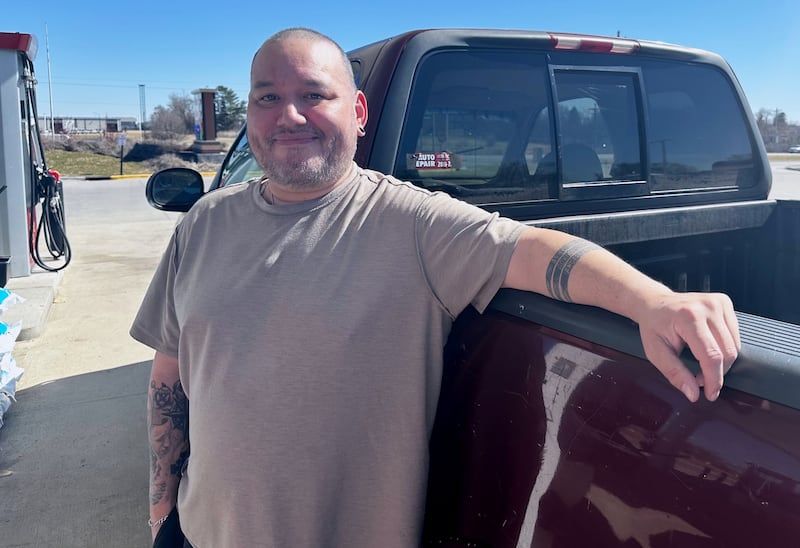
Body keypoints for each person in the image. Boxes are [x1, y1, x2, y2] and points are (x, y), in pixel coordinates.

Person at [131, 27, 740, 548]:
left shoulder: (412, 224)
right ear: (250, 114)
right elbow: (169, 375)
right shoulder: (204, 224)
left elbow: (533, 250)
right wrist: (162, 512)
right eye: (268, 97)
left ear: (359, 112)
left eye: (314, 95)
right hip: (198, 533)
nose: (289, 115)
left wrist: (652, 301)